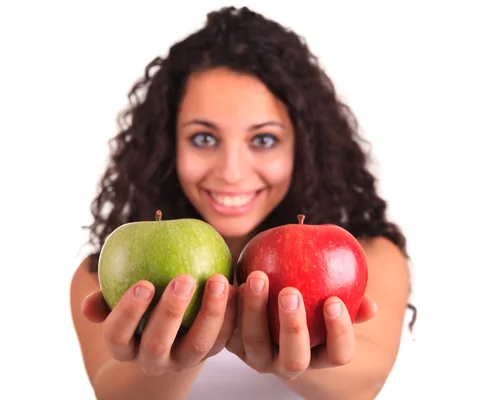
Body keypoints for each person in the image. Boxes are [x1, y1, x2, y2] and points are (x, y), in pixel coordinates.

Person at [70, 6, 416, 400]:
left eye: (263, 139)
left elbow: (365, 382)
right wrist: (187, 348)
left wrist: (290, 355)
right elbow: (115, 394)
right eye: (204, 138)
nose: (232, 172)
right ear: (167, 148)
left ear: (303, 149)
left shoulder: (366, 255)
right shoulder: (104, 273)